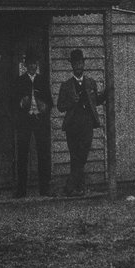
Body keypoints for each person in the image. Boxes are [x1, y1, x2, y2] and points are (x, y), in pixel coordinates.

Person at [56, 49, 108, 197]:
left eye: (80, 62)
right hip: (72, 125)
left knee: (82, 154)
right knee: (75, 156)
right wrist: (72, 102)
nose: (78, 65)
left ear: (84, 64)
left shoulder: (91, 83)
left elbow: (95, 101)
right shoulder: (65, 85)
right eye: (75, 63)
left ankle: (69, 186)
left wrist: (105, 93)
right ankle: (78, 188)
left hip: (87, 124)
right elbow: (60, 106)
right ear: (72, 65)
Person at [11, 47, 53, 197]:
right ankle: (21, 190)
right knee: (22, 155)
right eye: (29, 63)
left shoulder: (42, 80)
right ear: (25, 65)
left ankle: (44, 188)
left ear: (37, 64)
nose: (32, 66)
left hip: (39, 120)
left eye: (34, 63)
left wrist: (45, 106)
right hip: (25, 121)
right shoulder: (20, 81)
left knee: (43, 153)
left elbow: (50, 102)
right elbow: (13, 102)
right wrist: (22, 103)